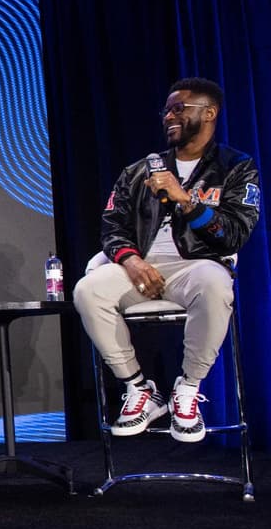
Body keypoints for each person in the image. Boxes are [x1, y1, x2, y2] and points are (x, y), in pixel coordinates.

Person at [73, 77, 260, 443]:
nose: (169, 117)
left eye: (178, 109)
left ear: (209, 113)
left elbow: (234, 235)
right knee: (87, 290)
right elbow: (112, 228)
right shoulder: (138, 171)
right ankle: (139, 389)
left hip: (198, 265)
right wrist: (131, 261)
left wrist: (186, 201)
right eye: (167, 111)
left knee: (215, 284)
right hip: (141, 267)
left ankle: (187, 390)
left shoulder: (236, 167)